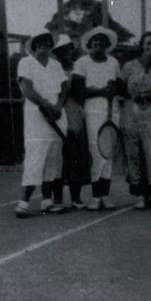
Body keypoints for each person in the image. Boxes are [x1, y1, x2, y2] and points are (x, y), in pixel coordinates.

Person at [15, 31, 68, 218]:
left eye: (47, 42)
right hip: (36, 116)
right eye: (40, 42)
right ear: (34, 45)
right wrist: (47, 106)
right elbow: (27, 89)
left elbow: (64, 89)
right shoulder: (25, 63)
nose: (44, 45)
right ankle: (23, 202)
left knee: (54, 158)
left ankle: (48, 201)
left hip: (58, 114)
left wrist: (58, 107)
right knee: (35, 156)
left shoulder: (56, 65)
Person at [71, 26, 123, 210]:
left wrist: (113, 89)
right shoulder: (82, 63)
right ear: (90, 44)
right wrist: (101, 91)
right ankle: (95, 196)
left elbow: (120, 87)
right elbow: (77, 91)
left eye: (102, 42)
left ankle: (105, 196)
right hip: (92, 112)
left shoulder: (114, 63)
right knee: (95, 151)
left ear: (107, 45)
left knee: (108, 152)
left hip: (112, 111)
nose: (98, 45)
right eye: (95, 42)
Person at [120, 32, 151, 209]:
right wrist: (132, 95)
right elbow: (120, 88)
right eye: (148, 44)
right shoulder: (129, 66)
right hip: (132, 113)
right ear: (142, 45)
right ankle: (139, 194)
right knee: (133, 153)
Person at [52, 34, 91, 209]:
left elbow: (81, 94)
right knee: (58, 159)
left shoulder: (78, 69)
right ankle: (57, 199)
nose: (65, 53)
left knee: (75, 157)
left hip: (74, 115)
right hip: (58, 114)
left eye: (67, 49)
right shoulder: (52, 70)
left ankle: (76, 198)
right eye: (61, 51)